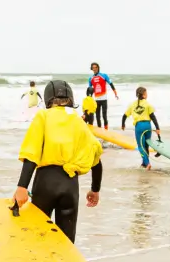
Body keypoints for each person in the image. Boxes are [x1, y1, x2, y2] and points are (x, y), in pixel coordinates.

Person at [11, 80, 104, 242]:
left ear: (48, 98)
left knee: (39, 234)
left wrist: (22, 186)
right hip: (70, 186)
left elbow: (31, 154)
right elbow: (96, 157)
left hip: (45, 183)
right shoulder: (78, 121)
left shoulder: (43, 116)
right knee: (66, 240)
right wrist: (95, 189)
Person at [120, 86, 162, 169]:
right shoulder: (148, 104)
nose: (147, 95)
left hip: (139, 126)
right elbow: (153, 116)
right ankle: (144, 163)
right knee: (146, 146)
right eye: (146, 93)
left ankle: (147, 163)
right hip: (148, 126)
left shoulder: (132, 105)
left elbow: (124, 116)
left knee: (140, 146)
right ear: (143, 95)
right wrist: (157, 128)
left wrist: (123, 125)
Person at [88, 63, 117, 129]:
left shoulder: (104, 75)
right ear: (92, 69)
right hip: (96, 100)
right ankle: (100, 129)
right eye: (93, 68)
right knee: (97, 116)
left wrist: (115, 92)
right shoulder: (90, 78)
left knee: (104, 116)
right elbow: (90, 90)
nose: (95, 69)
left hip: (104, 99)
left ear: (98, 68)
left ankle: (106, 130)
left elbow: (110, 83)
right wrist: (89, 99)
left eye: (96, 67)